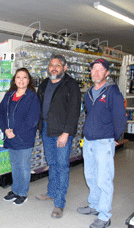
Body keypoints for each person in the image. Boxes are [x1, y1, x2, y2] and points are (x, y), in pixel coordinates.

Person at [77, 58, 127, 228]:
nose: (96, 72)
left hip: (104, 141)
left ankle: (104, 215)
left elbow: (120, 116)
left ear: (107, 73)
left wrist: (115, 137)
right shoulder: (88, 93)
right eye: (93, 69)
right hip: (89, 141)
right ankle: (94, 205)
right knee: (90, 176)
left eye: (100, 69)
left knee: (104, 179)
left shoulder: (112, 91)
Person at [36, 54, 81, 218]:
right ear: (48, 67)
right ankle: (52, 192)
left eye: (58, 65)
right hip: (47, 129)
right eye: (51, 65)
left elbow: (74, 110)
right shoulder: (44, 84)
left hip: (62, 131)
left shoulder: (71, 85)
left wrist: (66, 132)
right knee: (52, 163)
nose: (54, 68)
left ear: (65, 67)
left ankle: (59, 203)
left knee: (62, 166)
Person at [0, 68, 40, 205]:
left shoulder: (32, 97)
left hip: (23, 138)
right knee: (15, 165)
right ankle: (15, 190)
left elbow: (32, 120)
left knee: (23, 166)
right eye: (18, 77)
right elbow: (1, 113)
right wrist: (5, 130)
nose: (21, 80)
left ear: (29, 80)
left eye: (24, 78)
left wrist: (15, 131)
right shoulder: (9, 95)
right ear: (14, 80)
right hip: (10, 137)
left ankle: (22, 193)